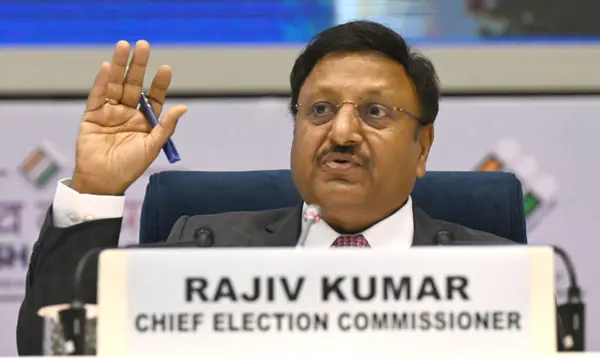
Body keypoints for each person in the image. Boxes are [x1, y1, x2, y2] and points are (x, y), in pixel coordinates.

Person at [17, 20, 530, 355]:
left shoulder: (496, 274)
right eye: (320, 110)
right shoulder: (204, 251)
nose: (343, 133)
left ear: (422, 147)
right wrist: (95, 189)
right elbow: (53, 349)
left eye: (375, 112)